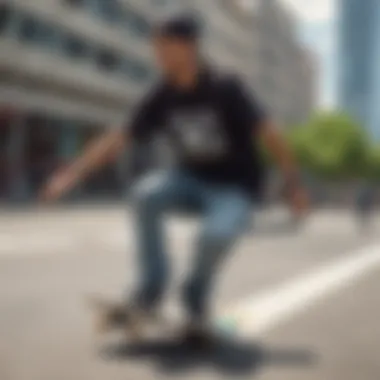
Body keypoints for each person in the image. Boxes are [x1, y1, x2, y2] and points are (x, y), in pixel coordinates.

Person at [40, 14, 308, 344]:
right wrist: (72, 174)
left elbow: (271, 135)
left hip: (234, 189)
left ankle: (195, 300)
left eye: (164, 47)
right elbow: (118, 136)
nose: (158, 55)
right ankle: (149, 291)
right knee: (145, 194)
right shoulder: (161, 94)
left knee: (215, 235)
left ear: (189, 47)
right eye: (155, 47)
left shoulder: (227, 87)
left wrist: (293, 185)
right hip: (189, 180)